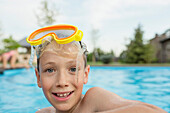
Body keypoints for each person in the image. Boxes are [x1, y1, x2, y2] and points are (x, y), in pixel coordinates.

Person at [26, 24, 167, 113]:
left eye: (73, 69)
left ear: (85, 74)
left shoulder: (93, 100)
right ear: (38, 77)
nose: (62, 82)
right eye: (50, 70)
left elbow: (154, 111)